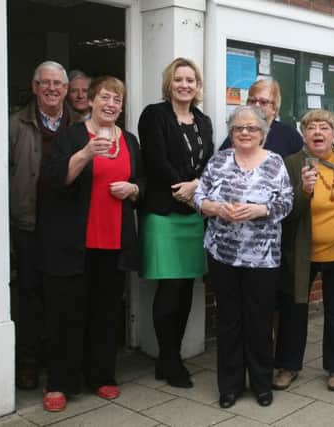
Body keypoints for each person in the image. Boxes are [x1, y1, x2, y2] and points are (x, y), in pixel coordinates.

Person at [37, 76, 144, 412]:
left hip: (114, 242)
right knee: (67, 313)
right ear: (92, 100)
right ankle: (60, 382)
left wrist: (134, 190)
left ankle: (101, 376)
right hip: (75, 241)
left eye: (117, 100)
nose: (111, 105)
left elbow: (142, 180)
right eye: (105, 98)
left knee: (106, 312)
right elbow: (56, 181)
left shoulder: (129, 140)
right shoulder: (71, 135)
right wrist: (85, 153)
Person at [194, 106, 293, 409]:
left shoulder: (275, 163)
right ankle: (230, 385)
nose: (245, 133)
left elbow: (287, 202)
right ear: (232, 133)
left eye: (251, 128)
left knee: (259, 321)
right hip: (223, 256)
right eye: (239, 128)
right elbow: (199, 196)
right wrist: (216, 208)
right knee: (229, 321)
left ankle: (262, 384)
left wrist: (260, 210)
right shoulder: (219, 160)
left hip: (262, 259)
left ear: (262, 133)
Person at [137, 57, 214, 388]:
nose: (185, 84)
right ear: (169, 83)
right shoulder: (154, 115)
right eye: (179, 79)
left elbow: (209, 162)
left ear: (198, 86)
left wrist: (195, 187)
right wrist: (180, 188)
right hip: (163, 213)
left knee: (186, 288)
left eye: (191, 79)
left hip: (194, 213)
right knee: (169, 286)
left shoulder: (203, 120)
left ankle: (172, 356)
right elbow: (154, 159)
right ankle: (169, 359)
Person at [273, 109, 334, 392]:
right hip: (301, 253)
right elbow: (283, 213)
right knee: (294, 309)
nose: (318, 132)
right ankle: (287, 365)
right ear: (303, 134)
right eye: (311, 128)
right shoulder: (290, 164)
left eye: (325, 127)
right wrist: (304, 192)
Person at [9, 60, 80, 391]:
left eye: (59, 84)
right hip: (29, 223)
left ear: (66, 90)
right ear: (35, 87)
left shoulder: (79, 126)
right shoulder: (15, 124)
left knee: (62, 298)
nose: (53, 89)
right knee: (29, 294)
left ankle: (57, 361)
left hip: (66, 228)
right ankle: (27, 362)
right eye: (46, 83)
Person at [220, 79, 303, 158]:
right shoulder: (240, 132)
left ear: (274, 108)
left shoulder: (290, 135)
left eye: (263, 102)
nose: (256, 105)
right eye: (252, 101)